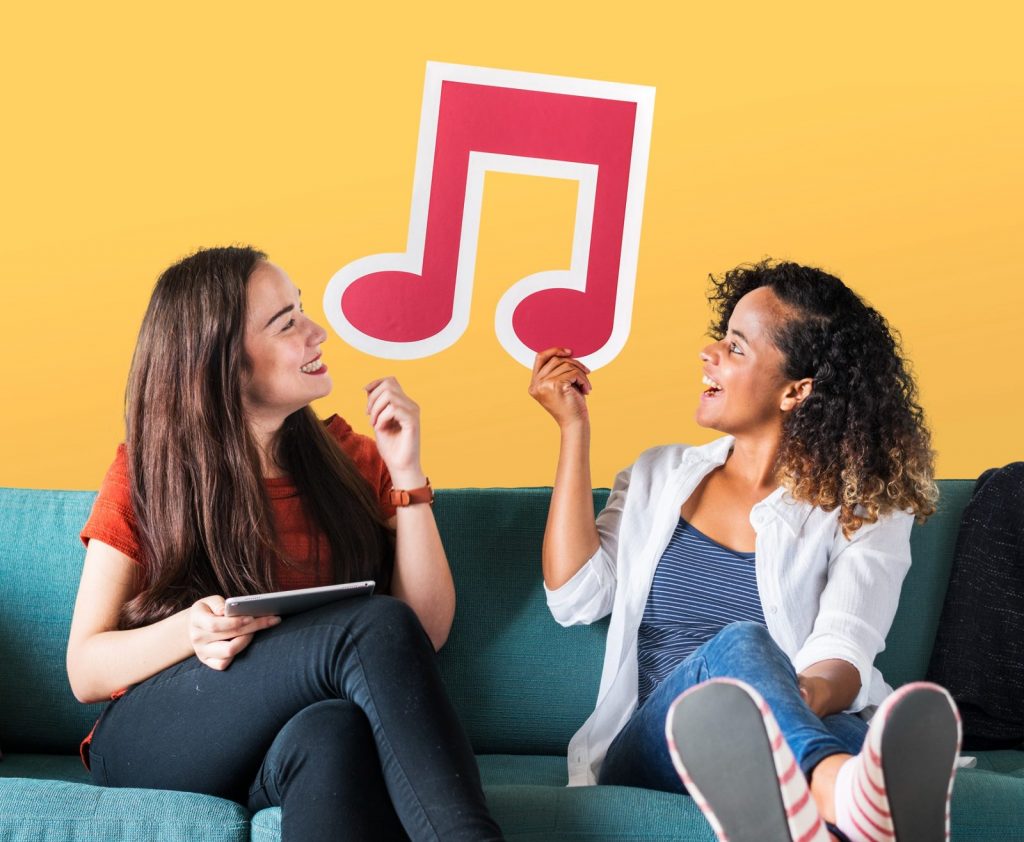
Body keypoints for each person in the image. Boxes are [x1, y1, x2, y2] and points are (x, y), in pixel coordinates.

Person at [67, 246, 504, 842]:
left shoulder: (354, 461)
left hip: (285, 744)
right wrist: (189, 631)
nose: (317, 332)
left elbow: (422, 634)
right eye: (287, 322)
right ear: (223, 364)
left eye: (302, 310)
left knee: (336, 730)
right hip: (164, 736)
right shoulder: (148, 473)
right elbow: (85, 671)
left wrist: (408, 474)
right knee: (371, 624)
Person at [527, 260, 961, 842]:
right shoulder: (658, 477)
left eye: (735, 348)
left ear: (795, 391)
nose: (709, 353)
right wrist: (573, 430)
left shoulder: (867, 506)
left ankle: (834, 803)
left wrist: (779, 700)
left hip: (796, 725)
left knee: (862, 755)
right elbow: (575, 597)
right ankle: (837, 789)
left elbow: (844, 647)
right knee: (741, 647)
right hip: (660, 742)